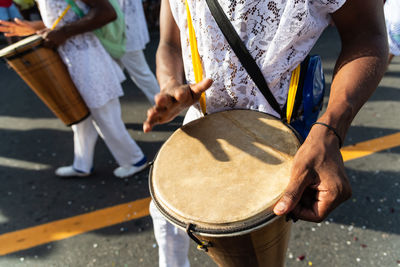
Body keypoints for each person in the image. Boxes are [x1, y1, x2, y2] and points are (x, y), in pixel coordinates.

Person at [143, 0, 388, 266]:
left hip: (277, 141)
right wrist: (170, 84)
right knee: (164, 215)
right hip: (203, 127)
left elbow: (367, 35)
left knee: (254, 256)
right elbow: (169, 43)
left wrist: (331, 129)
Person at [0, 0, 148, 178]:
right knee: (81, 118)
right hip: (70, 60)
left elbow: (106, 12)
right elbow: (63, 19)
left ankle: (134, 160)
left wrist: (63, 33)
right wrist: (36, 27)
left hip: (90, 59)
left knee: (106, 115)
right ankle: (82, 164)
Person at [117, 0, 160, 105]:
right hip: (125, 31)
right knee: (112, 74)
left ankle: (162, 104)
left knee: (141, 72)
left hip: (124, 34)